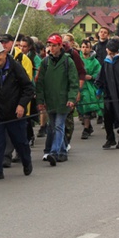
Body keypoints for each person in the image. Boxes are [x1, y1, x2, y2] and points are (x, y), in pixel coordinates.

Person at [0, 42, 35, 180]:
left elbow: (28, 89)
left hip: (15, 112)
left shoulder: (16, 67)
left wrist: (22, 105)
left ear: (5, 53)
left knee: (20, 141)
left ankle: (26, 161)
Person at [36, 34, 78, 165]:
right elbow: (40, 83)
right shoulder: (45, 62)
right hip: (50, 101)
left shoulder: (68, 61)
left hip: (63, 100)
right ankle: (63, 151)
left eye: (54, 45)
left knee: (59, 126)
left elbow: (73, 82)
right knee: (53, 126)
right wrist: (40, 100)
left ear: (61, 46)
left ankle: (53, 152)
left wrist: (72, 98)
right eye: (50, 45)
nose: (51, 48)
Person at [77, 39, 103, 139]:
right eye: (83, 47)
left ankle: (86, 128)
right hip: (79, 85)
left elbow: (99, 73)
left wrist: (92, 77)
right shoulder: (77, 60)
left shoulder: (95, 61)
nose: (85, 49)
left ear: (90, 48)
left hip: (90, 86)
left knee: (87, 106)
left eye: (87, 47)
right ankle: (87, 125)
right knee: (80, 107)